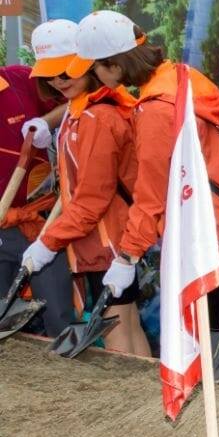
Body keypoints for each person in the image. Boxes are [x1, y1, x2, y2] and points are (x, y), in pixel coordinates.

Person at [79, 10, 219, 377]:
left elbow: (151, 196)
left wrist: (127, 257)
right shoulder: (181, 76)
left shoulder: (155, 110)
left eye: (96, 69)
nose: (96, 79)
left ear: (114, 65)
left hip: (204, 235)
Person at [22, 19, 150, 356]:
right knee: (126, 319)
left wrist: (47, 242)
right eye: (50, 75)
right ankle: (142, 387)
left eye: (66, 71)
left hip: (109, 237)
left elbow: (93, 199)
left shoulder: (97, 118)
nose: (58, 81)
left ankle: (127, 389)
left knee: (116, 325)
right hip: (105, 236)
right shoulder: (83, 109)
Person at [0, 23, 72, 337]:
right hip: (2, 227)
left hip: (40, 221)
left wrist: (44, 122)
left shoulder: (19, 80)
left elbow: (77, 101)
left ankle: (64, 362)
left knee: (59, 313)